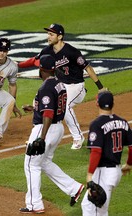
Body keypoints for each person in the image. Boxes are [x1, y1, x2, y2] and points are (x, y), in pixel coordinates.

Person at [18, 23, 107, 150]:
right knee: (37, 101)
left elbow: (88, 68)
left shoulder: (72, 52)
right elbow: (34, 60)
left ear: (59, 37)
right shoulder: (47, 51)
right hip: (60, 85)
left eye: (51, 34)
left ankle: (78, 137)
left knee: (65, 106)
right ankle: (37, 136)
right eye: (48, 33)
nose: (48, 36)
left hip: (76, 86)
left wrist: (100, 87)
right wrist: (18, 65)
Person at [19, 54, 84, 214]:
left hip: (45, 128)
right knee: (44, 162)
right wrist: (35, 108)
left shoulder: (46, 87)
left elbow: (48, 113)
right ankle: (74, 188)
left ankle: (35, 204)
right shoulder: (59, 84)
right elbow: (52, 107)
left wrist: (41, 138)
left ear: (43, 69)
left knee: (31, 165)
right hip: (58, 128)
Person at [81, 90, 132, 216]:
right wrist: (129, 164)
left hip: (103, 173)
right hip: (114, 172)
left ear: (97, 104)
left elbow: (96, 152)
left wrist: (89, 175)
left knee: (97, 210)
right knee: (89, 206)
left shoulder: (97, 124)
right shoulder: (123, 122)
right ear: (113, 104)